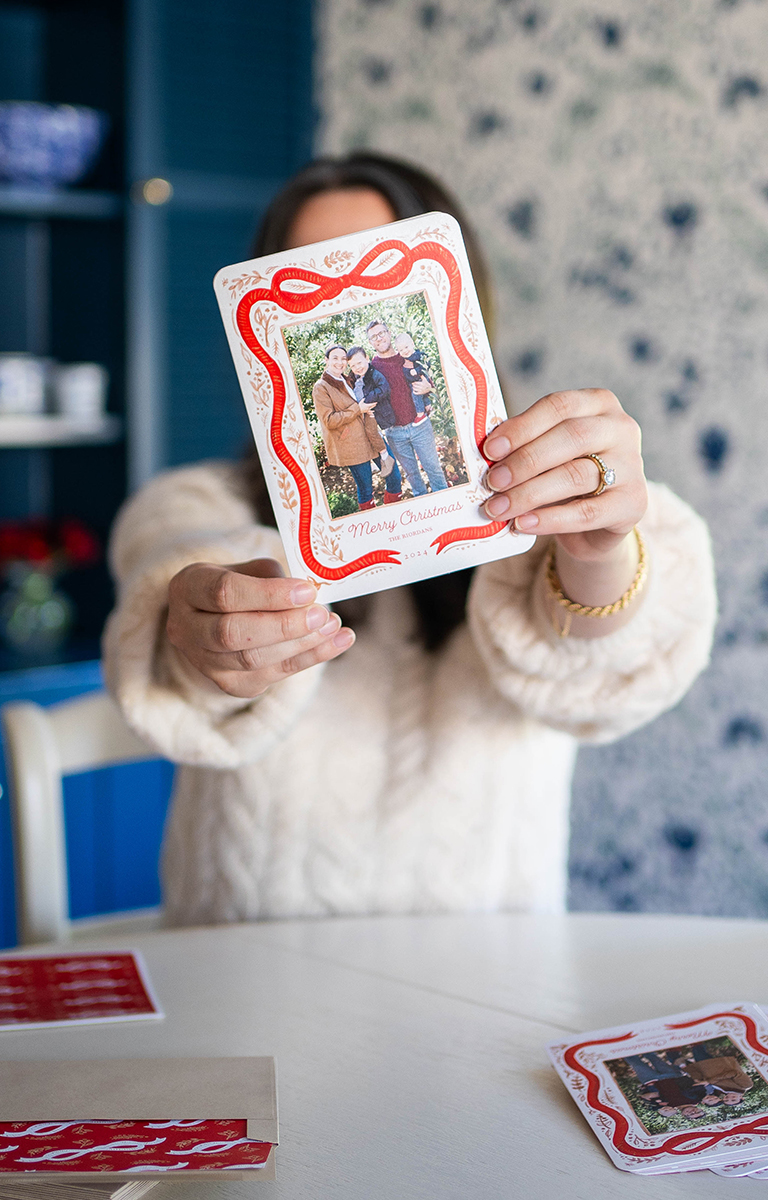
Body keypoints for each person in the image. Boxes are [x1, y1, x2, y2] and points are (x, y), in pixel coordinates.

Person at [103, 151, 717, 928]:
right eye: (310, 277)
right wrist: (210, 629)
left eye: (375, 275)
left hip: (490, 979)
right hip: (245, 973)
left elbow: (599, 663)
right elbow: (185, 559)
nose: (346, 299)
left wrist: (599, 553)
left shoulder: (544, 508)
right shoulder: (195, 502)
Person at [367, 319, 449, 495]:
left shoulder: (406, 356)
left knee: (433, 469)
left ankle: (445, 505)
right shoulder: (371, 369)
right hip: (395, 432)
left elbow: (427, 377)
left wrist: (428, 387)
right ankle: (426, 511)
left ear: (389, 333)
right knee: (412, 475)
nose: (379, 338)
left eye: (381, 333)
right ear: (370, 343)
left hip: (420, 426)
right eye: (374, 337)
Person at [311, 344, 389, 512]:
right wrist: (357, 410)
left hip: (369, 435)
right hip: (351, 443)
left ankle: (392, 507)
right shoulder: (321, 387)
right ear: (326, 360)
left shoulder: (348, 379)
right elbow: (329, 420)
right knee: (366, 488)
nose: (340, 362)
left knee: (393, 474)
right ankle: (371, 519)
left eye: (343, 359)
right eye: (335, 358)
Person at [345, 346, 403, 503]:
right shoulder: (351, 379)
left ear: (367, 358)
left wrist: (367, 402)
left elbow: (384, 389)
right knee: (365, 486)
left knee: (394, 475)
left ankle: (385, 456)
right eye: (353, 365)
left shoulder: (374, 374)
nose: (358, 367)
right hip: (358, 426)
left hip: (371, 415)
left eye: (359, 362)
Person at [395, 331, 434, 420]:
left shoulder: (417, 355)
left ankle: (420, 414)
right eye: (401, 350)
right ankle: (428, 407)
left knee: (416, 394)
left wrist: (416, 370)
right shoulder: (403, 360)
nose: (405, 351)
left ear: (412, 344)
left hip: (422, 379)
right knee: (421, 394)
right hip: (414, 381)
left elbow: (426, 364)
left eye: (406, 347)